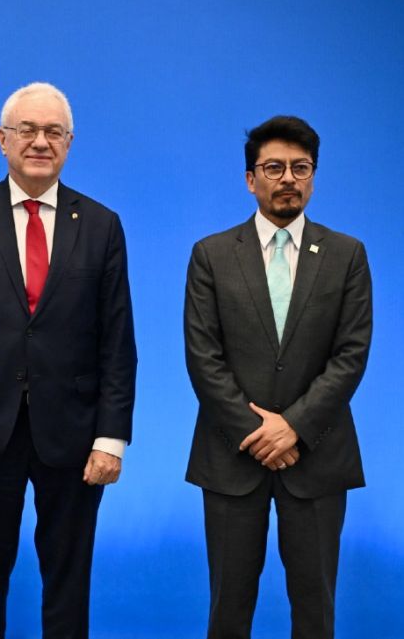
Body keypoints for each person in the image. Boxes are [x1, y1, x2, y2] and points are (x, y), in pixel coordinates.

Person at [0, 82, 137, 639]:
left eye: (53, 132)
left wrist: (110, 439)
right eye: (28, 130)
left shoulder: (101, 225)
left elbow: (118, 341)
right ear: (3, 140)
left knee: (68, 580)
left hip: (74, 434)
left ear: (69, 143)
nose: (40, 141)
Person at [184, 115, 371, 639]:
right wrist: (258, 432)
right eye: (274, 168)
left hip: (318, 455)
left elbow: (351, 355)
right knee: (228, 609)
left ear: (313, 176)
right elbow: (203, 356)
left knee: (315, 610)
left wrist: (293, 428)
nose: (288, 178)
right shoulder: (212, 255)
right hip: (230, 456)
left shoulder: (347, 255)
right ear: (251, 179)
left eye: (300, 168)